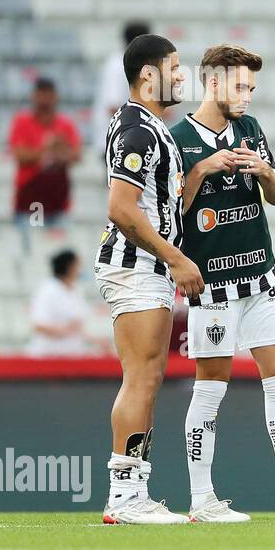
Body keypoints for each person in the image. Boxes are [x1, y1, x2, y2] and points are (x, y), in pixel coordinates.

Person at [171, 43, 275, 523]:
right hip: (214, 287)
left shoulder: (249, 129)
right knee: (210, 389)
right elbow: (169, 215)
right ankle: (202, 498)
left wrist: (266, 170)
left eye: (252, 87)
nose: (247, 95)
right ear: (213, 82)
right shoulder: (179, 138)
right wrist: (202, 169)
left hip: (260, 277)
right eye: (240, 86)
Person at [95, 33, 203, 524]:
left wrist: (200, 173)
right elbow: (121, 208)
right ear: (147, 75)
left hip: (148, 265)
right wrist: (176, 258)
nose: (181, 75)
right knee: (141, 377)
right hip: (136, 265)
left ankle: (133, 490)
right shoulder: (139, 127)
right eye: (174, 67)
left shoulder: (152, 127)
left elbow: (161, 207)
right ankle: (124, 496)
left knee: (149, 376)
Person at [9, 77, 81, 232]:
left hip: (58, 201)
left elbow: (75, 155)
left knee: (60, 251)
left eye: (48, 95)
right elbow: (19, 155)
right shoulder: (22, 122)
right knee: (32, 251)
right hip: (30, 199)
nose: (44, 100)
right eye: (41, 95)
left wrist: (58, 150)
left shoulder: (65, 124)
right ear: (34, 96)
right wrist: (49, 148)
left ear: (55, 97)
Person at [92, 21, 151, 149]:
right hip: (117, 140)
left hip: (130, 139)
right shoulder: (117, 64)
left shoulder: (132, 64)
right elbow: (113, 106)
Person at [28, 249, 94, 357]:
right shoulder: (48, 290)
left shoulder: (76, 290)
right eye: (77, 265)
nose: (80, 270)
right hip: (49, 356)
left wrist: (96, 341)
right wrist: (66, 329)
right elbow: (38, 326)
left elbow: (77, 327)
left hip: (73, 355)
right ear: (68, 267)